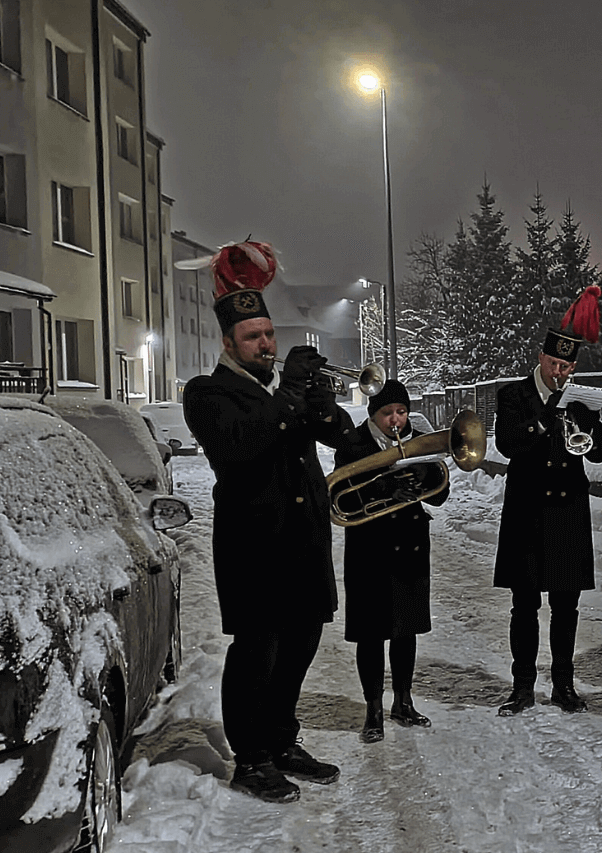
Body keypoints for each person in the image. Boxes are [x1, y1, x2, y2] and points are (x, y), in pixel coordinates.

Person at [183, 240, 354, 804]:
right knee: (258, 651)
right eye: (253, 338)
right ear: (229, 341)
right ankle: (251, 757)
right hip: (254, 547)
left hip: (302, 542)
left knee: (302, 641)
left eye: (269, 335)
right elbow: (240, 448)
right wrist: (287, 397)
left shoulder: (281, 392)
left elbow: (338, 437)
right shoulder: (207, 393)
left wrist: (321, 400)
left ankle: (281, 740)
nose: (265, 344)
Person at [493, 286, 602, 716]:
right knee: (524, 606)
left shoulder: (578, 399)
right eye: (554, 364)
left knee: (566, 606)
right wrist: (547, 416)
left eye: (567, 366)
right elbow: (507, 443)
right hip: (527, 512)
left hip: (567, 513)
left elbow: (598, 452)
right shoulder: (514, 395)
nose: (560, 372)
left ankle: (564, 684)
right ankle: (522, 686)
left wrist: (587, 422)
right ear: (541, 359)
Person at [333, 379, 449, 744]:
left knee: (406, 628)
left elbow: (440, 496)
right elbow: (340, 500)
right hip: (370, 548)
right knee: (371, 633)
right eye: (387, 413)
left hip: (411, 544)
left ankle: (403, 701)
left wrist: (425, 475)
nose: (396, 419)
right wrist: (384, 488)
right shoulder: (352, 444)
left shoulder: (417, 439)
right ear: (373, 414)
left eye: (401, 411)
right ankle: (373, 709)